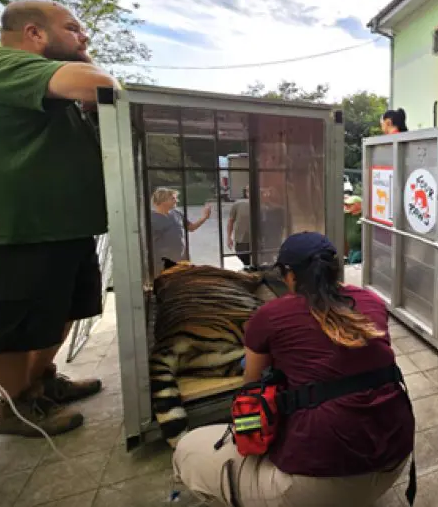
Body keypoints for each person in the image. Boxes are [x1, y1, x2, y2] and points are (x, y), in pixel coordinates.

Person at [172, 232, 415, 507]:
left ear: (289, 275)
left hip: (317, 484)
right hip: (393, 462)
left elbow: (250, 386)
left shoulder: (269, 316)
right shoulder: (371, 301)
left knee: (189, 448)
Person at [0, 0, 121, 437]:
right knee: (7, 329)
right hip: (18, 232)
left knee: (66, 310)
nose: (84, 37)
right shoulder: (0, 61)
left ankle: (40, 382)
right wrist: (86, 61)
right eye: (73, 28)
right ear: (34, 34)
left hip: (64, 229)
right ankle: (19, 405)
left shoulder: (42, 85)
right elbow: (100, 85)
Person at [149, 187, 211, 275]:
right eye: (173, 198)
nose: (176, 201)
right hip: (161, 264)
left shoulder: (177, 214)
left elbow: (191, 227)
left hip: (180, 261)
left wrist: (204, 217)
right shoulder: (150, 219)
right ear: (162, 200)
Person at [227, 185, 252, 266]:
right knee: (242, 256)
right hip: (241, 239)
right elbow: (231, 221)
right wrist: (228, 237)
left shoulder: (262, 204)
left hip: (256, 240)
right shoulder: (238, 204)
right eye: (248, 191)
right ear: (246, 192)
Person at [344, 194, 363, 264]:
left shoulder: (364, 216)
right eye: (346, 204)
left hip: (361, 249)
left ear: (358, 205)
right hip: (351, 248)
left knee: (354, 264)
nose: (347, 206)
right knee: (350, 263)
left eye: (350, 204)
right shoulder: (346, 215)